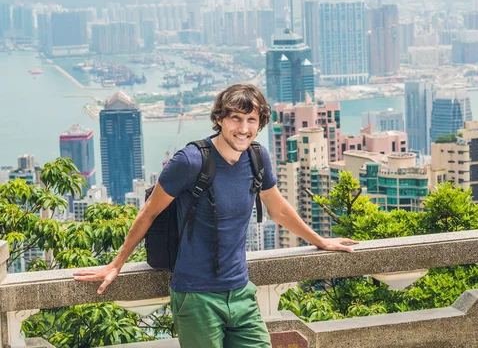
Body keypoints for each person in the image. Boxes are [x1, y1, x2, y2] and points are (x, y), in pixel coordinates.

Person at [74, 84, 358, 347]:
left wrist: (321, 240)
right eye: (235, 118)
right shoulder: (190, 161)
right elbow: (149, 213)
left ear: (260, 123)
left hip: (241, 291)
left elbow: (278, 209)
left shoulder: (258, 158)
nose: (243, 128)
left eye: (251, 120)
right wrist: (116, 264)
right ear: (220, 119)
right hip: (196, 296)